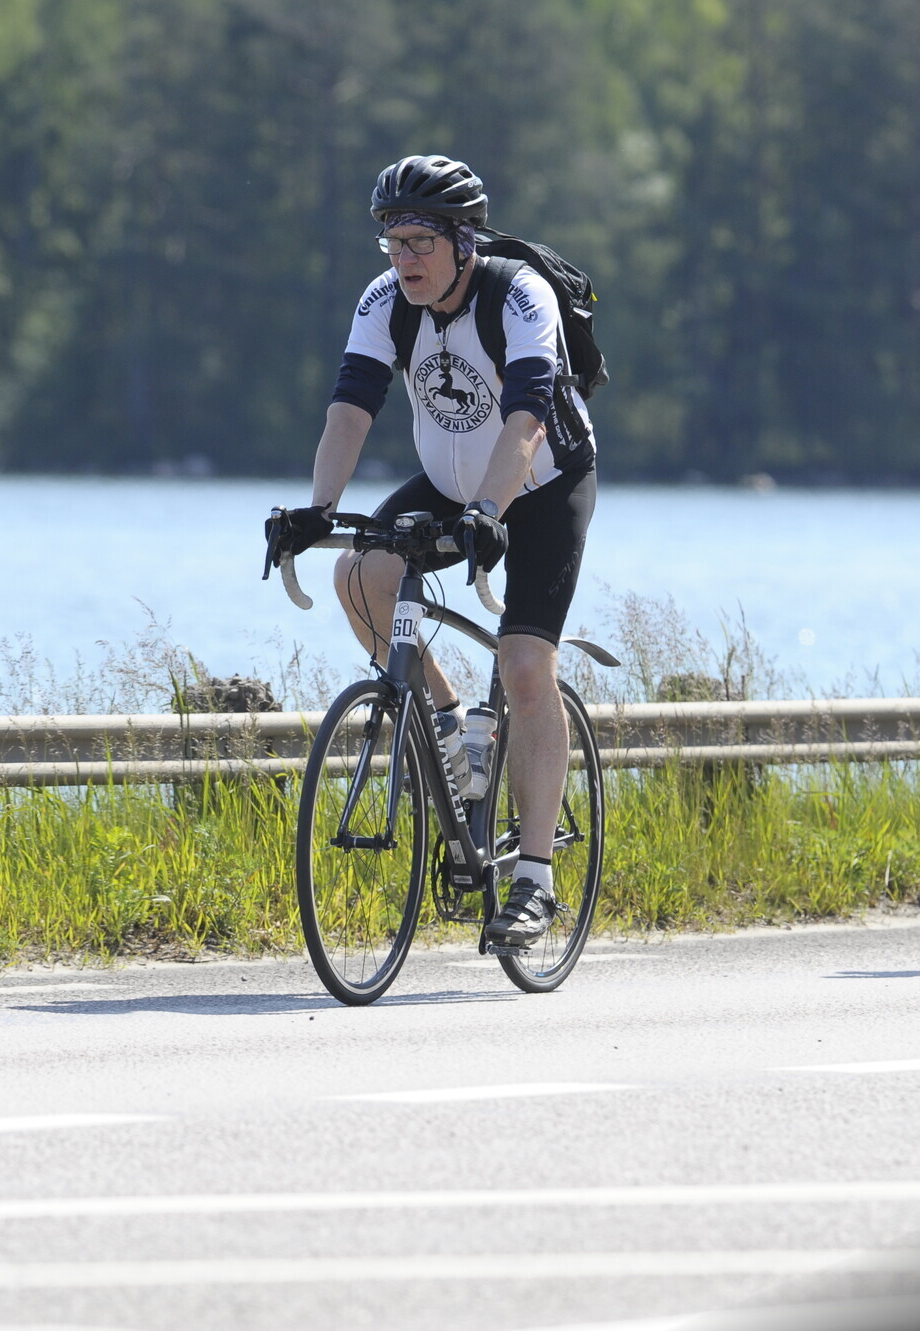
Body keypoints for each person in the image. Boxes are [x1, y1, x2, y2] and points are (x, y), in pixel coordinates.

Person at [268, 154, 597, 948]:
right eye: (393, 240)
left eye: (420, 241)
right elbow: (351, 408)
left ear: (464, 242)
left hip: (543, 481)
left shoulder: (519, 295)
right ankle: (452, 727)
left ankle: (535, 880)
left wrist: (489, 512)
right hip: (450, 483)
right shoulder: (385, 300)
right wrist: (318, 509)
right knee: (358, 576)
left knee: (525, 665)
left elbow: (525, 418)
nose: (404, 258)